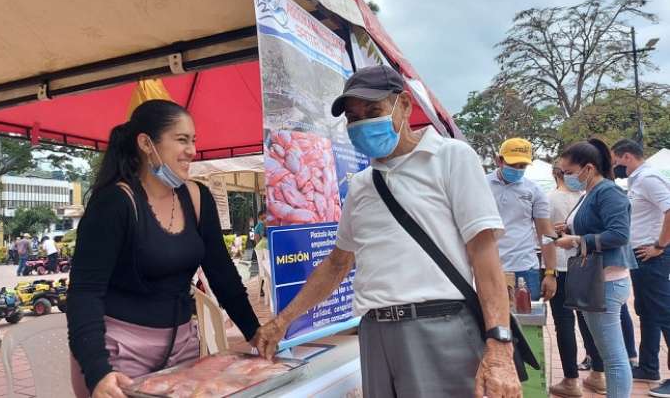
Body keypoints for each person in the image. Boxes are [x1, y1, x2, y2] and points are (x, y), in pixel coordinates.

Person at [254, 65, 520, 397]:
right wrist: (282, 322)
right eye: (353, 118)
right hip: (375, 332)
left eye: (373, 111)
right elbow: (337, 264)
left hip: (440, 328)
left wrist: (499, 344)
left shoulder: (451, 157)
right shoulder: (362, 185)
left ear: (404, 105)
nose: (362, 124)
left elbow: (484, 255)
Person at [67, 100, 260, 398]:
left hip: (183, 348)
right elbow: (84, 292)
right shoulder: (115, 203)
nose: (192, 151)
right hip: (119, 354)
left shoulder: (197, 197)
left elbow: (222, 274)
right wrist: (98, 371)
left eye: (193, 140)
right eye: (181, 140)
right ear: (146, 143)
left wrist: (255, 333)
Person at [554, 138, 637, 397]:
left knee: (613, 356)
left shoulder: (608, 192)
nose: (566, 178)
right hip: (598, 280)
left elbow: (619, 234)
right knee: (607, 352)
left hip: (607, 282)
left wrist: (578, 240)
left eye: (568, 173)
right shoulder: (592, 193)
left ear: (588, 168)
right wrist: (570, 229)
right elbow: (598, 226)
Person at [611, 139, 670, 393]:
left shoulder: (648, 178)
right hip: (640, 255)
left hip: (653, 255)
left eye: (615, 160)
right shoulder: (637, 181)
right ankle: (648, 366)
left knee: (664, 313)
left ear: (626, 157)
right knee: (647, 311)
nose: (614, 166)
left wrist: (660, 245)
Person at [487, 138, 558, 301]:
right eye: (513, 165)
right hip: (489, 268)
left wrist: (550, 272)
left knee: (527, 323)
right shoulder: (481, 185)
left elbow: (545, 233)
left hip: (525, 269)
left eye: (522, 166)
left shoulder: (534, 191)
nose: (518, 170)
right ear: (499, 160)